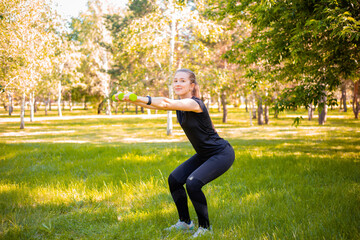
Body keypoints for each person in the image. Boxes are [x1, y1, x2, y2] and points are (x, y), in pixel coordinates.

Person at [120, 69, 235, 238]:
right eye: (175, 81)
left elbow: (165, 103)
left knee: (193, 183)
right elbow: (160, 105)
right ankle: (185, 223)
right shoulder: (179, 106)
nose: (178, 84)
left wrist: (137, 97)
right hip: (204, 154)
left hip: (221, 153)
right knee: (174, 180)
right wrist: (132, 100)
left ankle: (205, 228)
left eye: (182, 80)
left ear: (192, 85)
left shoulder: (194, 104)